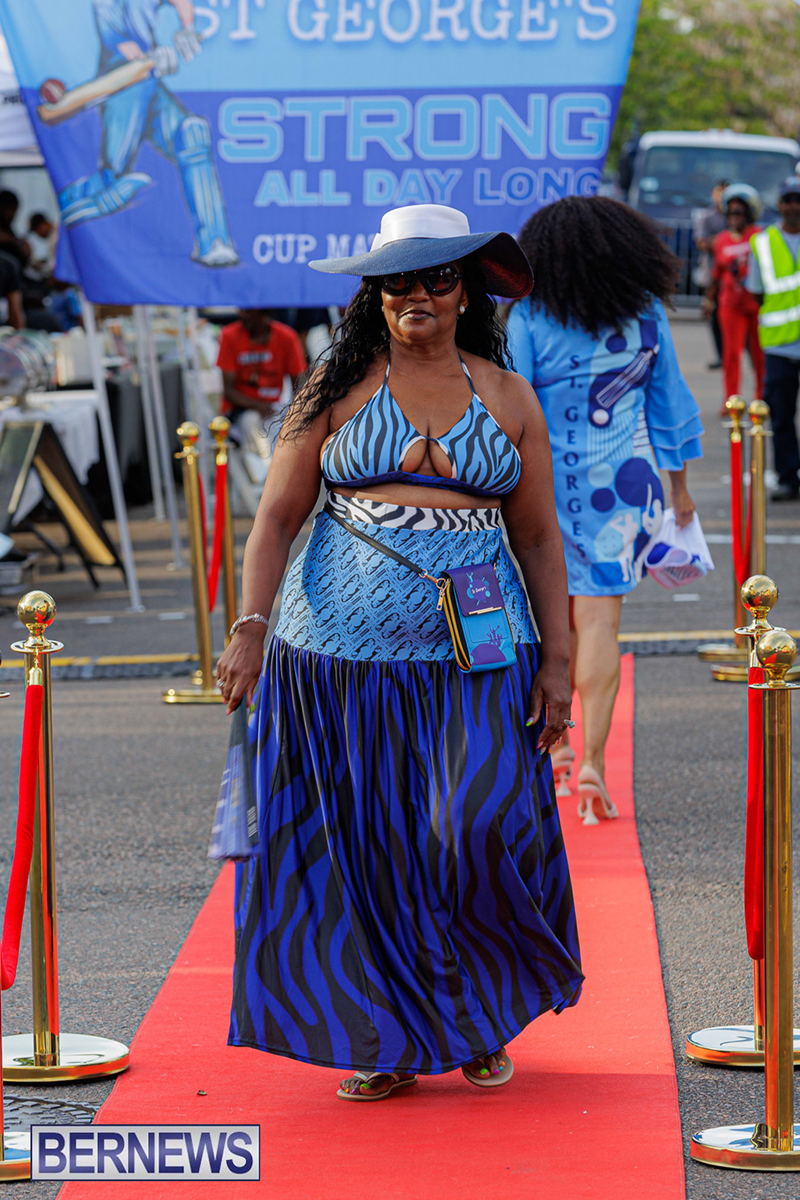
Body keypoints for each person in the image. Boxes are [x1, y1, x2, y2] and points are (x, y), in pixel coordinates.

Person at [215, 204, 582, 1100]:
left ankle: (481, 1014)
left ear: (467, 290)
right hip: (336, 658)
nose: (417, 295)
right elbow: (275, 521)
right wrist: (250, 627)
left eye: (436, 279)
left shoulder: (507, 394)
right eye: (398, 282)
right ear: (375, 297)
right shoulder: (331, 390)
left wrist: (560, 660)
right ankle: (383, 1034)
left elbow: (537, 539)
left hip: (478, 655)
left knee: (475, 826)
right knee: (365, 846)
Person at [507, 197, 702, 824]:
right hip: (624, 494)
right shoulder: (646, 314)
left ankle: (554, 747)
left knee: (544, 623)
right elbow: (670, 406)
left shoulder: (530, 315)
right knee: (600, 626)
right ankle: (591, 762)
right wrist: (679, 487)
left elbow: (509, 401)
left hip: (538, 493)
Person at [57, 0, 239, 267]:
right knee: (114, 175)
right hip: (124, 86)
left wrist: (186, 28)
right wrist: (150, 58)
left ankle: (215, 241)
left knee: (191, 133)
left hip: (149, 83)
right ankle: (78, 196)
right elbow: (119, 43)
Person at [746, 177, 800, 501]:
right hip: (779, 346)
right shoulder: (764, 243)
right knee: (780, 416)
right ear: (779, 204)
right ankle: (788, 477)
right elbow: (757, 293)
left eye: (798, 199)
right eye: (788, 199)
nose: (793, 205)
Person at [216, 308, 307, 481]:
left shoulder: (286, 336)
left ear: (265, 313)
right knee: (252, 425)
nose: (241, 314)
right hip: (242, 409)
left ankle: (282, 475)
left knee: (288, 427)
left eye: (248, 311)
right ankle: (264, 476)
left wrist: (296, 412)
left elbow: (300, 383)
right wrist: (257, 406)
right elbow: (228, 391)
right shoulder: (230, 335)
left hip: (274, 406)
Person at [704, 184, 764, 414]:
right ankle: (731, 400)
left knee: (759, 355)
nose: (734, 217)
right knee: (731, 355)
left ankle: (761, 398)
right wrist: (708, 301)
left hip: (757, 304)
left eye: (739, 213)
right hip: (730, 305)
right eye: (730, 213)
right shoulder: (721, 240)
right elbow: (717, 274)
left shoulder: (759, 237)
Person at [694, 180, 730, 369]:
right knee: (715, 315)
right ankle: (721, 355)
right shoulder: (707, 217)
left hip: (734, 276)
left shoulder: (736, 216)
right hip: (713, 273)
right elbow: (702, 242)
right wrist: (723, 243)